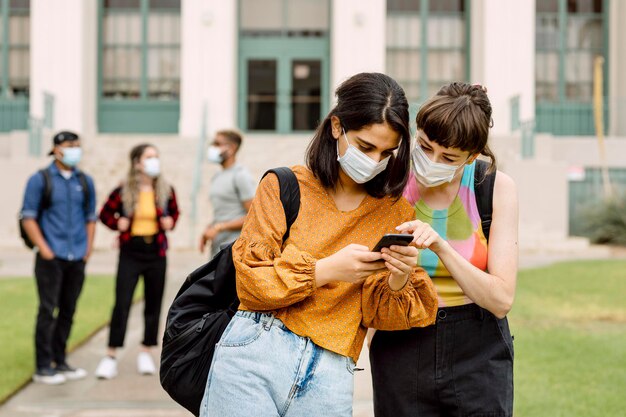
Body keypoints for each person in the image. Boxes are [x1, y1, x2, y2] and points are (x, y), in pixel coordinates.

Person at [200, 72, 438, 417]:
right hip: (255, 354)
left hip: (331, 372)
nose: (374, 161)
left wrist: (400, 277)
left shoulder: (395, 211)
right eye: (365, 146)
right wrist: (326, 270)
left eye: (387, 151)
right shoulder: (283, 185)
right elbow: (251, 285)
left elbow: (379, 316)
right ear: (337, 127)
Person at [369, 82, 519, 417]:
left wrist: (441, 247)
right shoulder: (390, 183)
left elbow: (501, 299)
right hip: (401, 343)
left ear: (472, 155)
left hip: (477, 349)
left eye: (448, 157)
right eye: (425, 146)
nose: (432, 160)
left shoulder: (493, 188)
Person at [94, 143, 179, 379]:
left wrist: (170, 222)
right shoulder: (123, 190)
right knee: (122, 303)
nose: (154, 161)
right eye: (149, 157)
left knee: (153, 303)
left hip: (156, 252)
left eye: (156, 157)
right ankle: (110, 355)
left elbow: (174, 213)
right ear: (137, 163)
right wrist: (116, 223)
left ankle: (146, 350)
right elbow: (105, 214)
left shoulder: (165, 190)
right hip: (130, 252)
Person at [20, 131, 97, 385]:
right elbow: (28, 216)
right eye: (69, 146)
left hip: (77, 256)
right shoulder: (40, 179)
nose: (75, 150)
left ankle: (60, 360)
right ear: (56, 149)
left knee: (68, 310)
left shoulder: (85, 181)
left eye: (78, 145)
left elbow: (89, 217)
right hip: (51, 257)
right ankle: (43, 366)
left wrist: (88, 249)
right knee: (47, 310)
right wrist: (45, 249)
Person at [199, 129, 256, 257]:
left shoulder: (241, 175)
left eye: (217, 144)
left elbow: (253, 215)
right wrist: (209, 229)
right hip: (217, 247)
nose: (212, 148)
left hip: (234, 249)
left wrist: (219, 227)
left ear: (232, 148)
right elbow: (223, 213)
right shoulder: (218, 175)